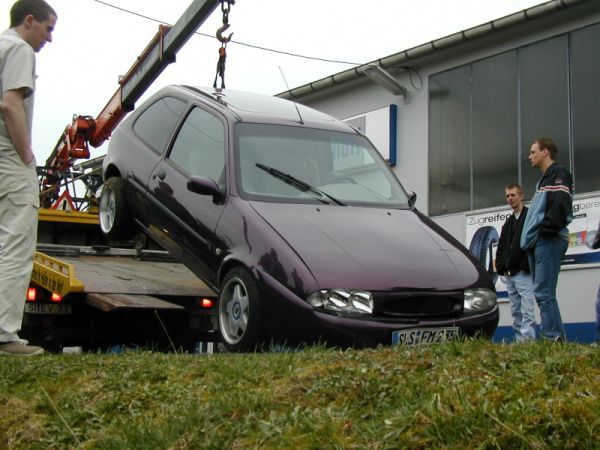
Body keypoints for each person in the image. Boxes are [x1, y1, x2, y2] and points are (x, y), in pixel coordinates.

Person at [0, 0, 57, 355]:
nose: (49, 38)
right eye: (48, 28)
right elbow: (9, 104)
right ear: (30, 20)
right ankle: (4, 336)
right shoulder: (20, 49)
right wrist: (27, 158)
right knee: (16, 247)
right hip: (9, 158)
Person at [521, 138, 573, 342]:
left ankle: (553, 337)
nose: (529, 156)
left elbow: (560, 205)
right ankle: (556, 338)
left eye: (533, 151)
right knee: (544, 292)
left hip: (550, 240)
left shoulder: (558, 174)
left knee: (544, 292)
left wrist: (545, 231)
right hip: (542, 241)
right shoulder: (544, 180)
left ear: (545, 152)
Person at [495, 184, 536, 341]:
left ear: (521, 196)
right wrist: (501, 267)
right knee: (516, 310)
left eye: (513, 195)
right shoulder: (508, 222)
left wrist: (525, 265)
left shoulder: (529, 217)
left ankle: (528, 341)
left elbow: (533, 243)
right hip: (510, 273)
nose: (510, 198)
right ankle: (520, 340)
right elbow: (502, 247)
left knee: (527, 309)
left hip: (523, 272)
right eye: (508, 196)